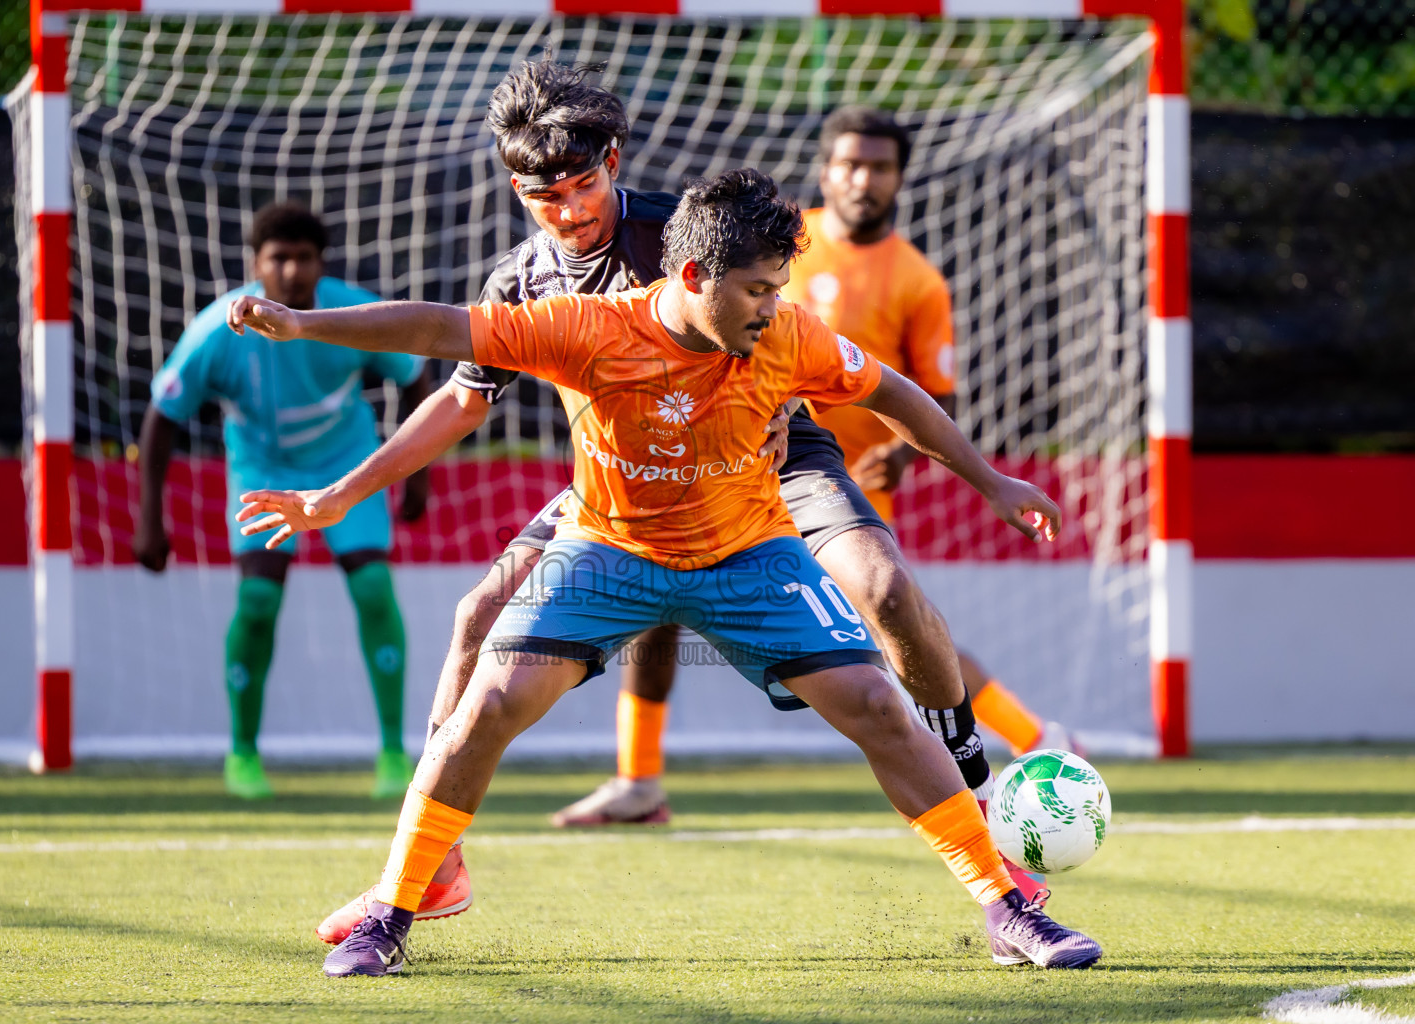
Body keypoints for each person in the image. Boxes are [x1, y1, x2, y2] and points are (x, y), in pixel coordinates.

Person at [231, 167, 1104, 975]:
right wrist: (303, 325)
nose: (773, 308)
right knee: (487, 702)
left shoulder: (787, 335)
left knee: (878, 703)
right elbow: (439, 328)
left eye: (779, 288)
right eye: (757, 290)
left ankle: (1007, 908)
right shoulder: (586, 328)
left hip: (748, 554)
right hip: (606, 552)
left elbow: (891, 392)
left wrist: (991, 481)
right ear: (692, 277)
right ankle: (392, 912)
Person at [785, 105, 1084, 760]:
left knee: (900, 629)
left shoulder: (917, 281)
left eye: (879, 168)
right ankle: (639, 777)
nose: (863, 180)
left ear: (900, 178)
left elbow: (934, 394)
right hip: (746, 470)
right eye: (850, 164)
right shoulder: (781, 244)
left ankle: (1035, 739)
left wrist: (898, 454)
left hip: (844, 489)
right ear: (826, 170)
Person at [134, 201, 430, 802]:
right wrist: (149, 520)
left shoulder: (350, 313)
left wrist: (416, 479)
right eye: (279, 258)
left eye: (304, 258)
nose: (292, 271)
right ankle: (243, 754)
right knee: (258, 601)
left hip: (346, 462)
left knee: (374, 590)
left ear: (321, 264)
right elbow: (162, 416)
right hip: (262, 470)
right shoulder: (219, 329)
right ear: (256, 265)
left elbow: (415, 375)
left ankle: (394, 754)